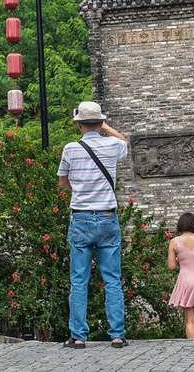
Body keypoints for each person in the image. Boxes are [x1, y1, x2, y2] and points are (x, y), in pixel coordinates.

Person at [57, 100, 129, 349]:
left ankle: (78, 336)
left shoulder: (70, 149)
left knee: (79, 280)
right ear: (100, 123)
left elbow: (62, 182)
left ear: (79, 125)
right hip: (108, 217)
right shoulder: (112, 145)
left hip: (81, 218)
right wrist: (105, 127)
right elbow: (125, 142)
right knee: (112, 279)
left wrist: (79, 191)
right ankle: (117, 335)